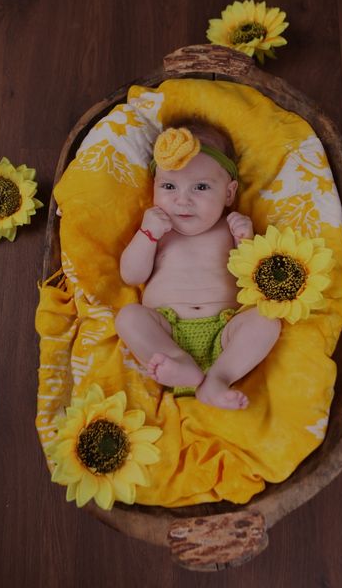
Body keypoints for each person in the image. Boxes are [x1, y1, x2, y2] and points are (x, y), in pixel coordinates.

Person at [115, 120, 281, 410]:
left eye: (201, 187)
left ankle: (219, 377)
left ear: (228, 194)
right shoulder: (158, 232)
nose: (182, 200)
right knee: (129, 317)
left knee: (267, 320)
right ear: (154, 187)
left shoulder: (231, 230)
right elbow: (131, 276)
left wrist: (246, 242)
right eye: (169, 186)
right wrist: (147, 235)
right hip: (166, 334)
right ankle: (180, 364)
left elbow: (255, 282)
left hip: (225, 331)